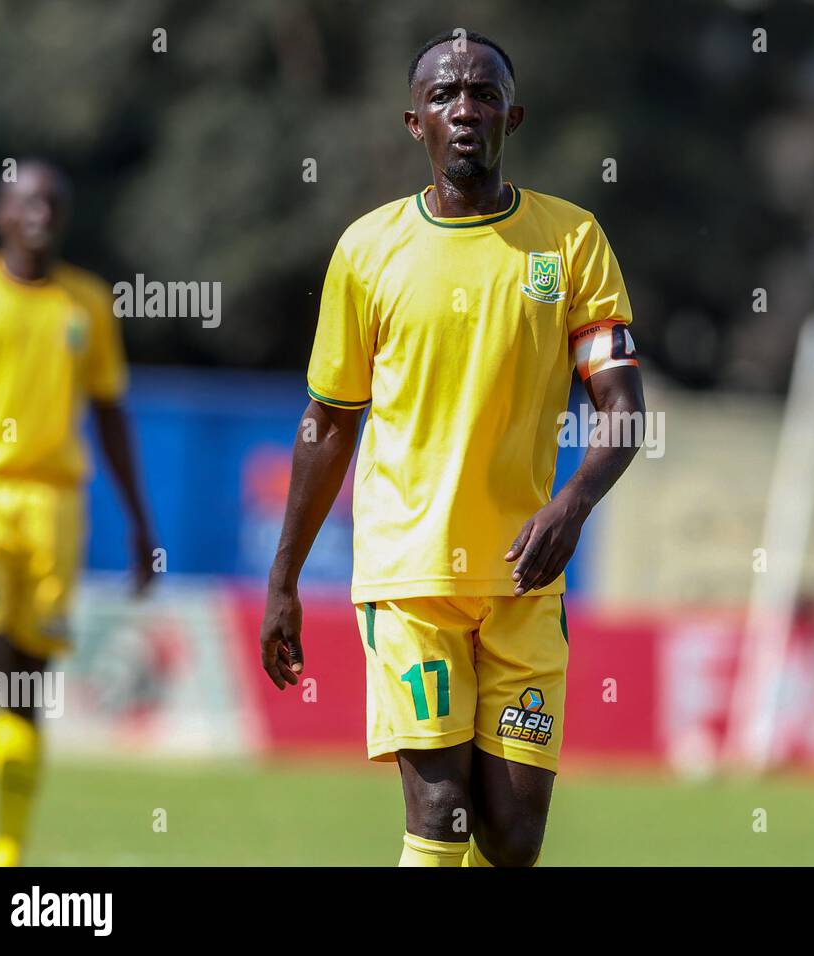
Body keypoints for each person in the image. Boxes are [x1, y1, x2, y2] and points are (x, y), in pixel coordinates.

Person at [259, 30, 646, 866]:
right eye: (443, 96)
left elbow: (622, 407)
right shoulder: (368, 250)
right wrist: (284, 580)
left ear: (514, 115)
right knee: (441, 815)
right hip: (412, 578)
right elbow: (328, 424)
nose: (463, 109)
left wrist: (571, 506)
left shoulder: (570, 242)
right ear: (414, 123)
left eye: (480, 93)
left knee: (512, 837)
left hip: (523, 575)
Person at [0, 160, 155, 866]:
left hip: (53, 507)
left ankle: (6, 853)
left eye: (53, 201)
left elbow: (108, 411)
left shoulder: (86, 303)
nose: (40, 211)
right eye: (26, 200)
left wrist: (140, 520)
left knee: (26, 684)